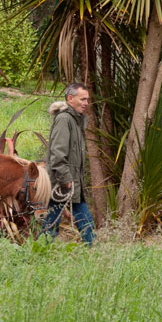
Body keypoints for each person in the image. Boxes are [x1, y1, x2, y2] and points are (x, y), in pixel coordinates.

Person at [43, 83, 96, 245]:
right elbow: (58, 153)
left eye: (87, 99)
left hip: (70, 182)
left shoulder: (74, 120)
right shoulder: (64, 119)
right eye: (83, 99)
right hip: (62, 182)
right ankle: (93, 249)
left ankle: (39, 251)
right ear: (70, 99)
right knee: (53, 225)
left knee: (55, 223)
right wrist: (65, 178)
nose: (86, 103)